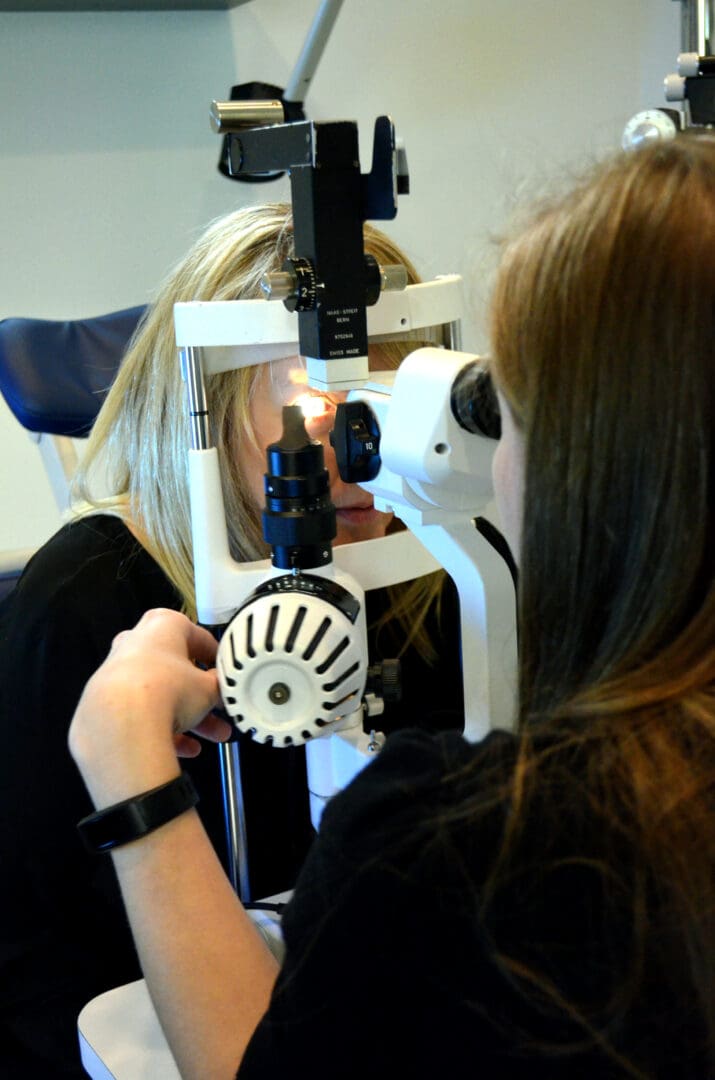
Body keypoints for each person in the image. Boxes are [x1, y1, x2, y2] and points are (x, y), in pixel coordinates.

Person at [69, 135, 714, 1079]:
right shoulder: (82, 595)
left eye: (507, 409)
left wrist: (127, 770)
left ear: (596, 468)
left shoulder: (454, 835)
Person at [0, 203, 466, 1077]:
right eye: (321, 411)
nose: (362, 462)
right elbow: (31, 948)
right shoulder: (86, 598)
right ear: (206, 416)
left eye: (384, 411)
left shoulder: (437, 568)